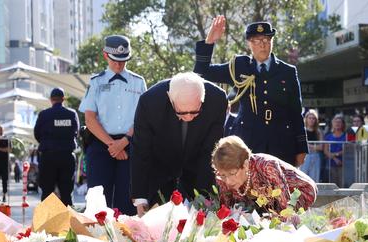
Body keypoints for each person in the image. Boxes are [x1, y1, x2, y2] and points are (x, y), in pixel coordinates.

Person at [194, 16, 308, 167]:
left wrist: (301, 148)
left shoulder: (287, 71)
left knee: (279, 189)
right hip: (248, 142)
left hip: (281, 142)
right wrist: (210, 41)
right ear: (249, 44)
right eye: (257, 40)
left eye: (266, 40)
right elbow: (202, 73)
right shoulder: (240, 66)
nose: (263, 45)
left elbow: (295, 112)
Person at [131, 72, 227, 216]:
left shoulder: (217, 99)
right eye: (181, 113)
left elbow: (210, 151)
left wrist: (205, 198)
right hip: (160, 169)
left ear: (203, 98)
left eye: (195, 112)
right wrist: (140, 198)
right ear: (170, 98)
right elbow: (141, 150)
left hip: (198, 168)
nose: (188, 117)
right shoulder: (149, 102)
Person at [79, 35, 147, 215]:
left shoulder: (138, 82)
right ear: (105, 56)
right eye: (115, 60)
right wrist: (112, 145)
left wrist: (123, 142)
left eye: (123, 61)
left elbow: (143, 118)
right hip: (101, 144)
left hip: (130, 144)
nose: (119, 65)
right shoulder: (96, 82)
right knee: (98, 201)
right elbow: (90, 119)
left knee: (128, 200)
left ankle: (127, 241)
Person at [211, 135, 317, 212]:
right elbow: (225, 211)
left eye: (232, 173)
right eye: (223, 175)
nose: (228, 181)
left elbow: (285, 208)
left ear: (246, 164)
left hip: (298, 191)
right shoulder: (223, 175)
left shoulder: (267, 166)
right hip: (267, 202)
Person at [34, 87, 79, 206]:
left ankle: (45, 222)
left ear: (51, 99)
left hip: (48, 156)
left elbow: (37, 134)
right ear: (63, 99)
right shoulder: (71, 114)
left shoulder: (44, 114)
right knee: (66, 193)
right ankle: (68, 223)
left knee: (47, 192)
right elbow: (76, 132)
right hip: (66, 156)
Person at [323, 115, 347, 186]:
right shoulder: (328, 136)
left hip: (343, 164)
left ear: (343, 124)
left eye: (339, 122)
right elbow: (325, 151)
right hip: (331, 164)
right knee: (332, 184)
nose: (337, 124)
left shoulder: (346, 136)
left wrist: (336, 155)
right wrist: (335, 158)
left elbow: (347, 149)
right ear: (332, 124)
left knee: (342, 184)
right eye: (335, 122)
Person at [299, 109, 322, 183]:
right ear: (306, 119)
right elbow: (300, 143)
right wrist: (314, 146)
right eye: (310, 118)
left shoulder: (318, 132)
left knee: (314, 179)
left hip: (315, 156)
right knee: (303, 178)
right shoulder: (302, 130)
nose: (311, 120)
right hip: (304, 156)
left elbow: (321, 147)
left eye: (313, 118)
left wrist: (308, 145)